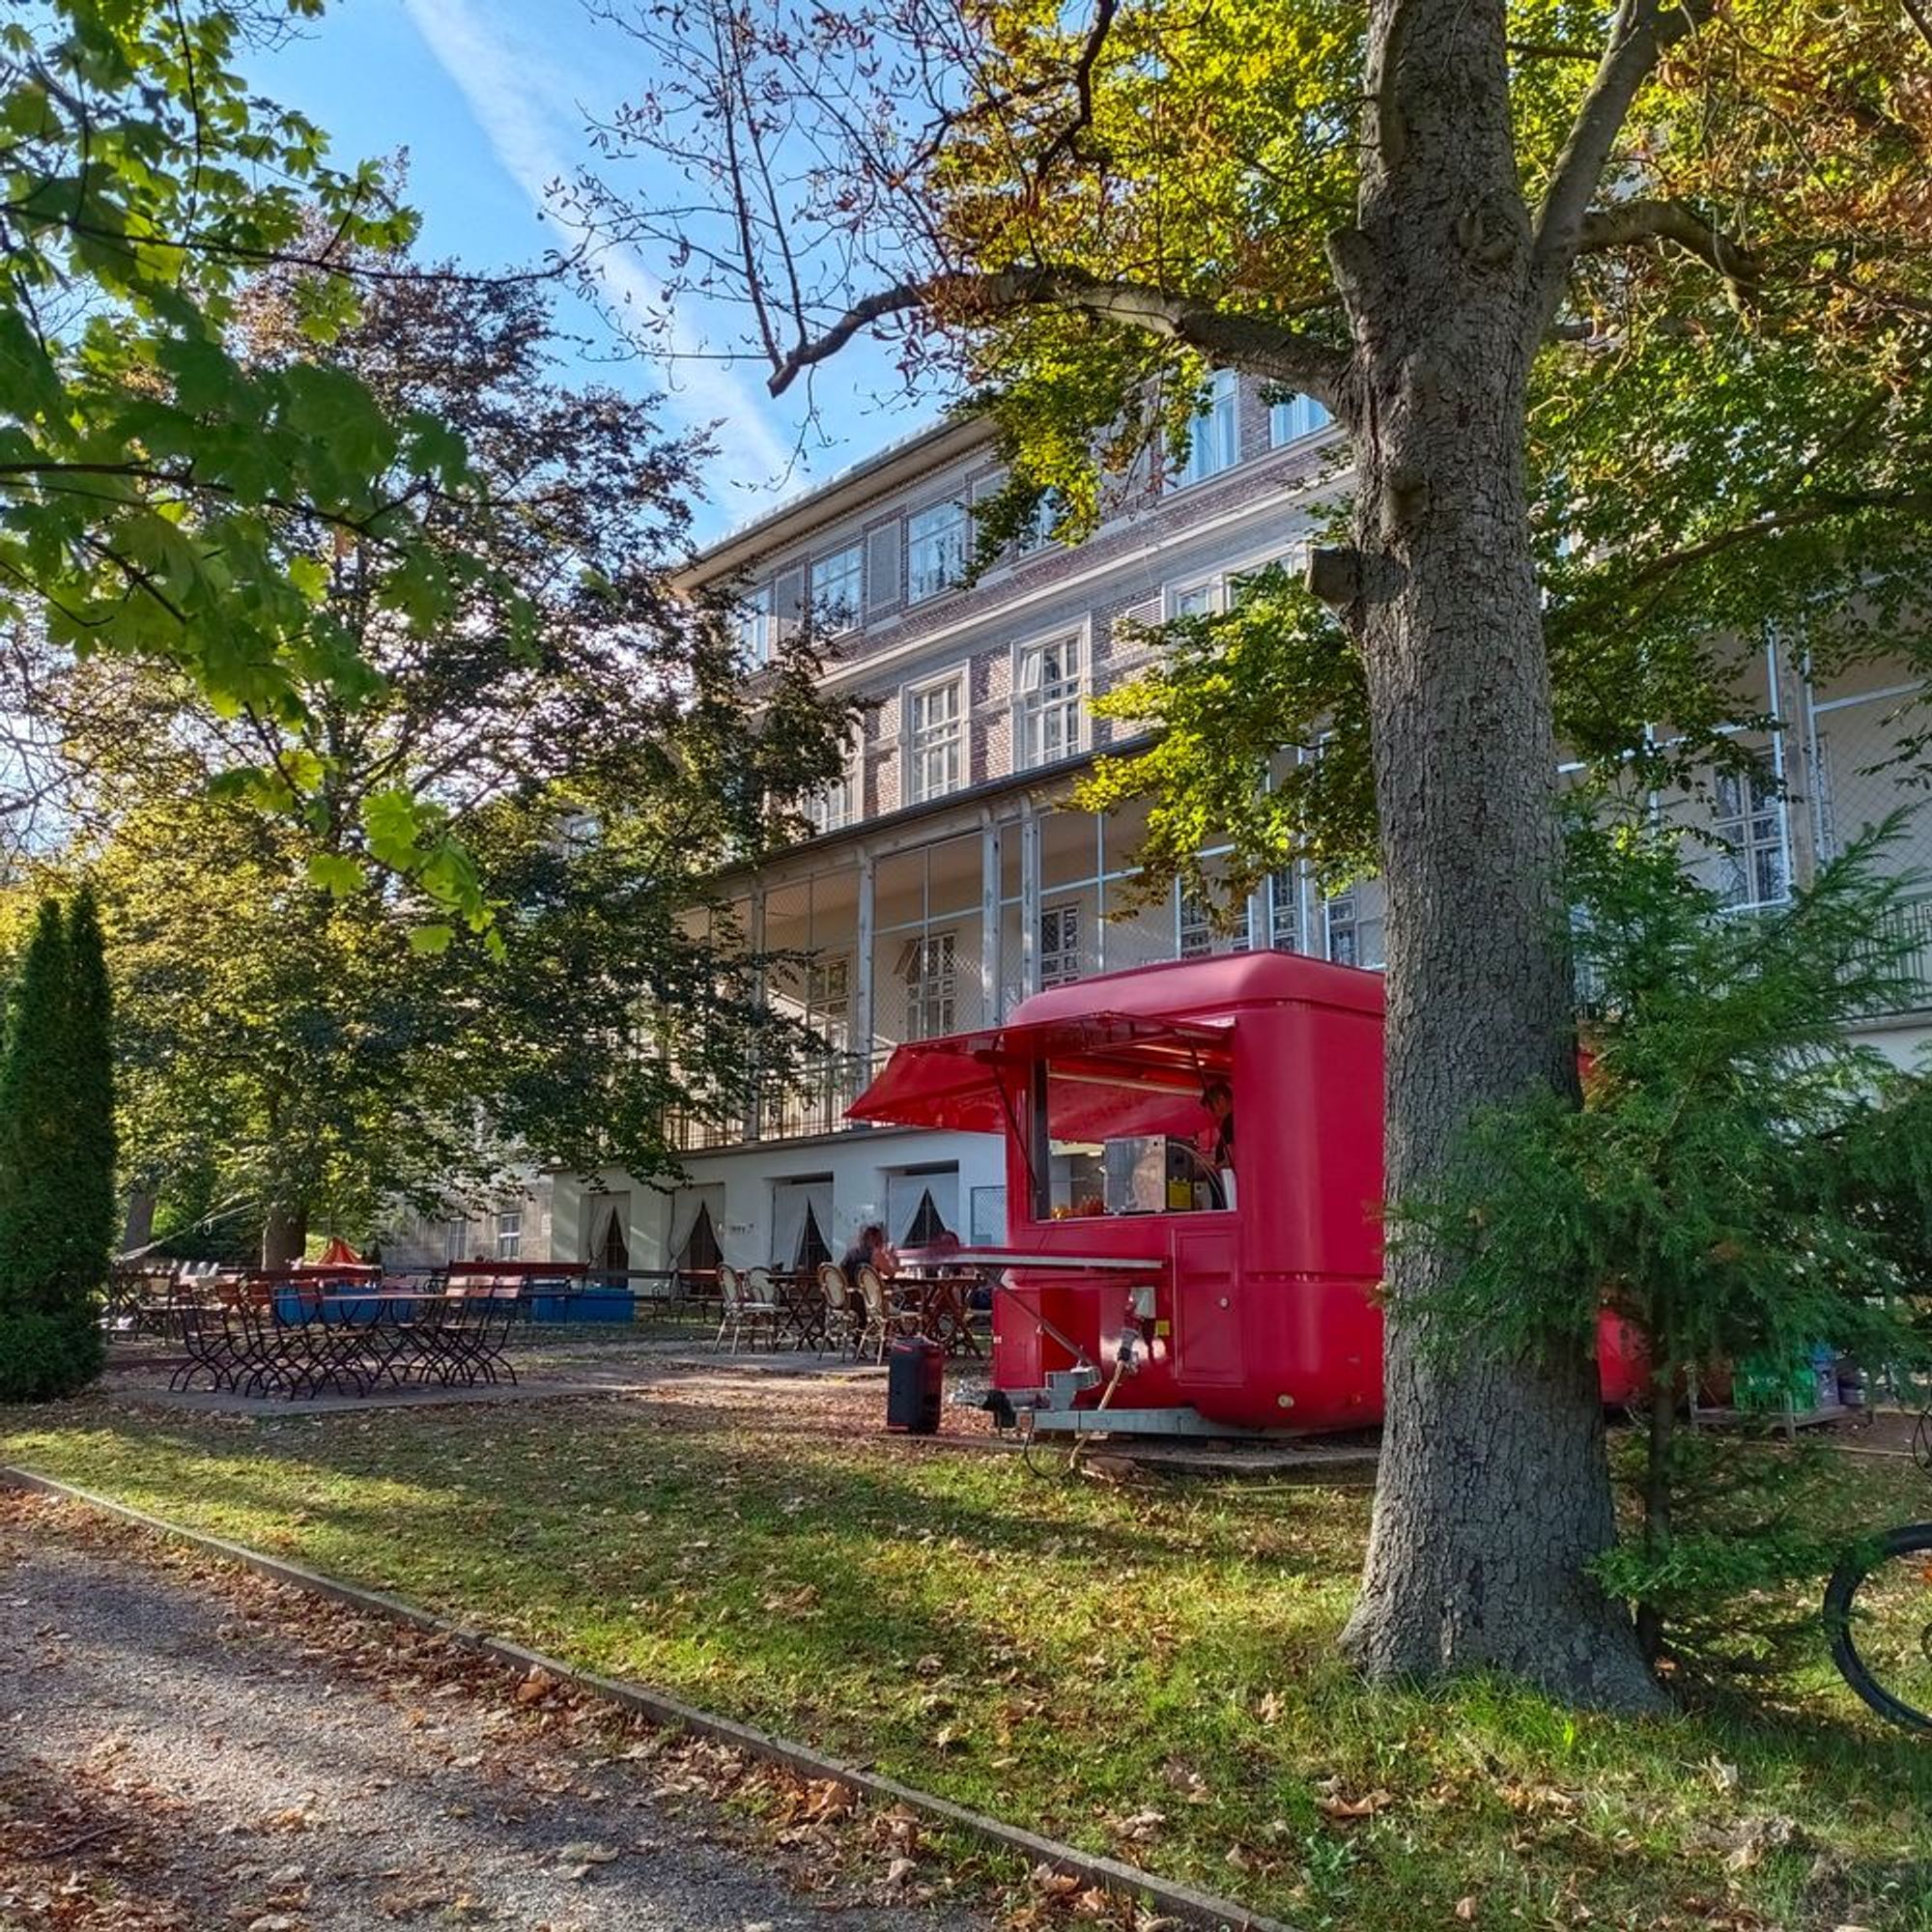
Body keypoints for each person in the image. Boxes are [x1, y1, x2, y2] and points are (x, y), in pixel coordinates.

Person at [1203, 1081, 1236, 1170]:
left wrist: (1212, 1170)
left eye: (1212, 1108)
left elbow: (1231, 1160)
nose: (1212, 1114)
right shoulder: (1236, 1119)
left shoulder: (1229, 1122)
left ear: (1221, 1100)